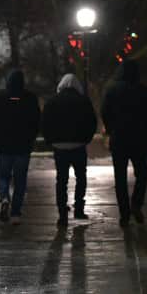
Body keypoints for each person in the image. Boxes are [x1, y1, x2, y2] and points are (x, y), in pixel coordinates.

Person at [101, 59, 147, 227]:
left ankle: (124, 214)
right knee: (142, 174)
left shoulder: (112, 90)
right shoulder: (143, 91)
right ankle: (136, 203)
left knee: (120, 177)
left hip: (119, 138)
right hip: (139, 138)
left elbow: (105, 112)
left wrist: (110, 129)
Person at [0, 69, 41, 224]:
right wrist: (31, 137)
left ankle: (4, 198)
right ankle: (15, 213)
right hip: (23, 146)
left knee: (3, 175)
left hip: (3, 145)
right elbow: (37, 120)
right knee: (20, 180)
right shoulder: (30, 98)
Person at [41, 73, 98, 225]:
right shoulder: (83, 101)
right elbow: (92, 122)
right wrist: (86, 139)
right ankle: (79, 208)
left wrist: (50, 140)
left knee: (61, 180)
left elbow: (45, 122)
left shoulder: (52, 101)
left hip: (59, 146)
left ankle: (62, 213)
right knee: (81, 177)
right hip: (78, 145)